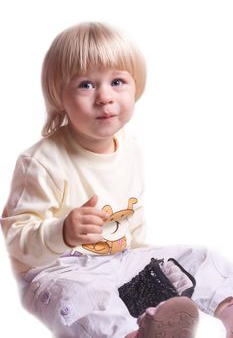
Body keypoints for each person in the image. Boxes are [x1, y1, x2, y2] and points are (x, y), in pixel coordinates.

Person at [1, 21, 233, 338]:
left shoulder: (129, 146)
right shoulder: (41, 162)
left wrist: (146, 267)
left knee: (201, 258)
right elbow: (15, 237)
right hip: (58, 271)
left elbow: (130, 213)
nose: (104, 97)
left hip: (117, 260)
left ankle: (227, 308)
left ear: (136, 86)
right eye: (86, 85)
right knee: (85, 298)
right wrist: (62, 232)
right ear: (60, 95)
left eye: (118, 81)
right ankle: (130, 333)